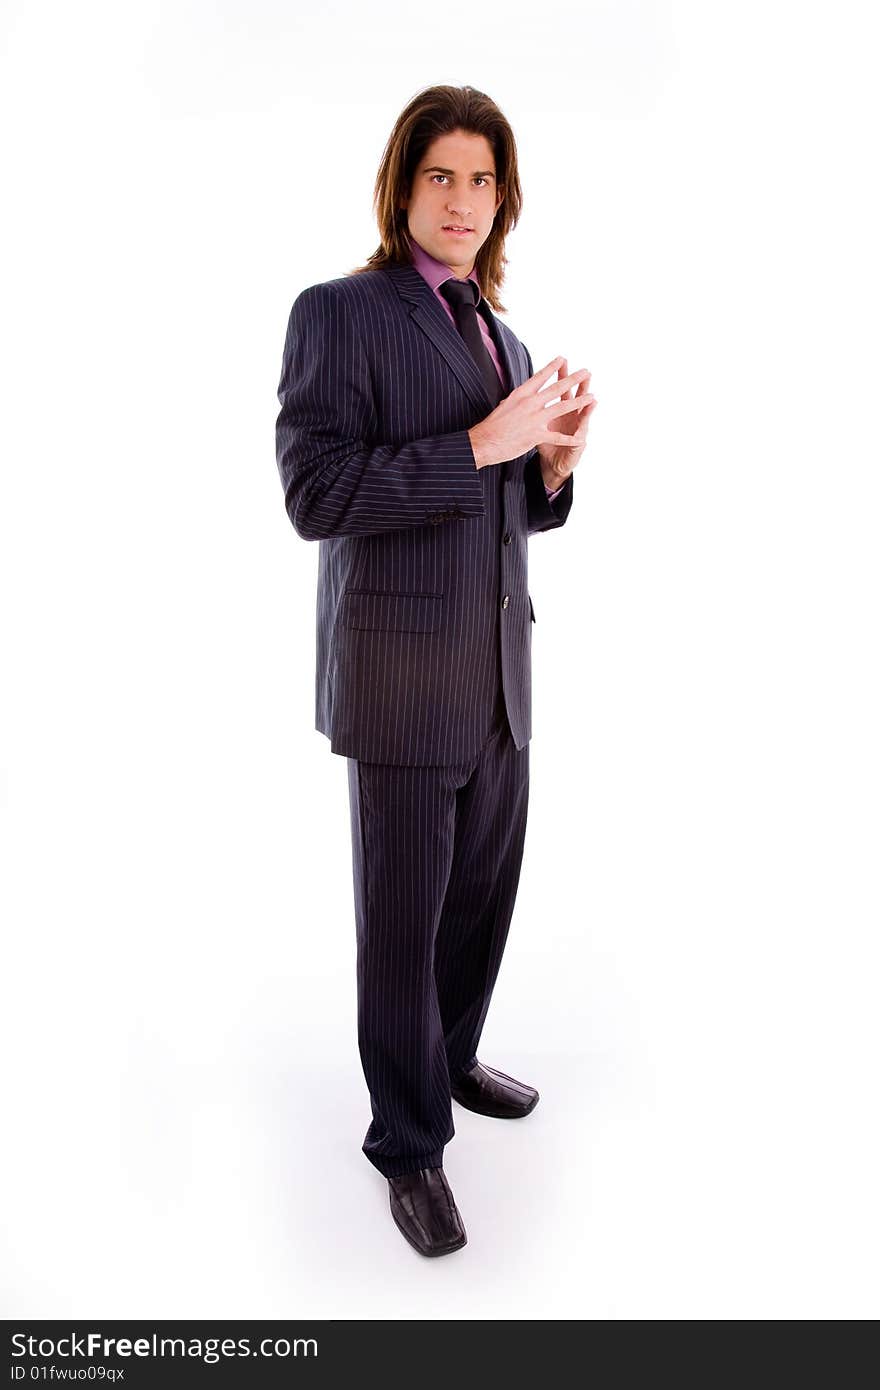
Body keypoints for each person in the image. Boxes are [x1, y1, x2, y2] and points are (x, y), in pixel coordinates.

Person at [274, 84, 597, 1257]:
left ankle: (449, 1056)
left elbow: (504, 508)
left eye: (482, 179)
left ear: (505, 196)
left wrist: (548, 467)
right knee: (402, 929)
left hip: (500, 682)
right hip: (401, 687)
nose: (462, 200)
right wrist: (479, 444)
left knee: (477, 908)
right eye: (440, 177)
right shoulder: (339, 315)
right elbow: (317, 496)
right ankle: (406, 1144)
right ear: (403, 187)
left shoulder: (500, 332)